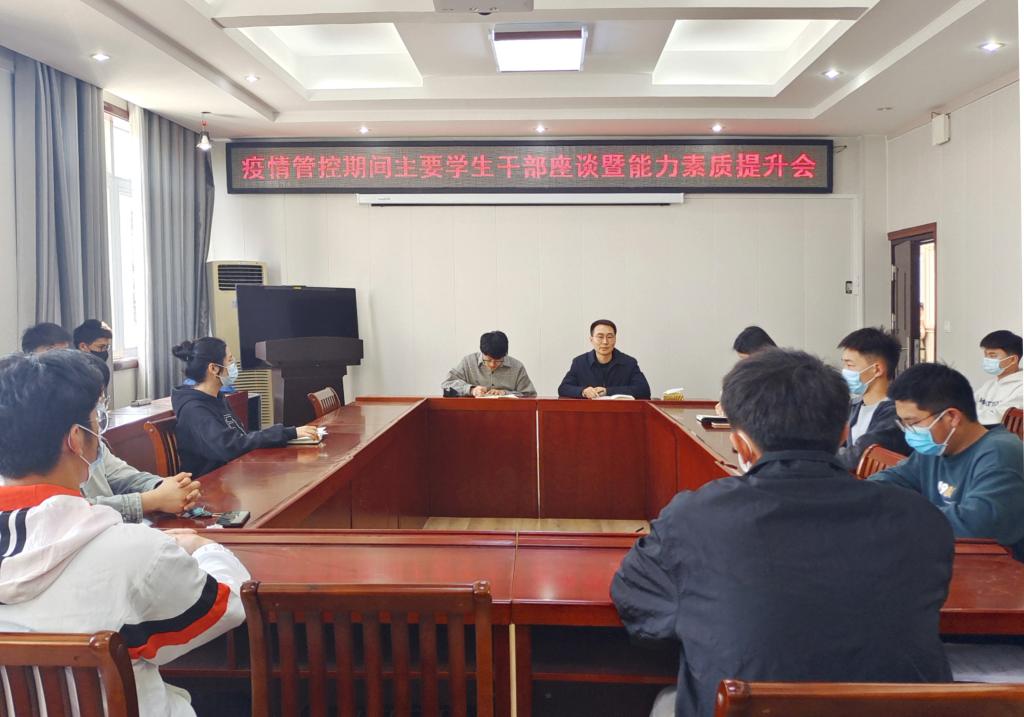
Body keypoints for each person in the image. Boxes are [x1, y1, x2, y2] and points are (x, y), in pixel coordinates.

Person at [612, 349, 954, 717]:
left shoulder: (694, 518)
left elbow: (638, 605)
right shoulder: (920, 519)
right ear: (843, 433)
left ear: (741, 445)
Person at [0, 349, 249, 717]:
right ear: (76, 439)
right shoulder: (133, 552)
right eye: (96, 419)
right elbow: (228, 606)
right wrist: (203, 547)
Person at [870, 362, 1024, 560]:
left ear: (952, 417)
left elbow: (976, 525)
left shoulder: (1001, 453)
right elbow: (890, 480)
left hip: (998, 568)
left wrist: (898, 514)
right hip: (950, 557)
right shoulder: (937, 448)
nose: (909, 432)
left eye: (913, 423)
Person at [171, 338, 318, 477]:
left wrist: (287, 435)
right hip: (208, 483)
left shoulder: (217, 398)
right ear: (214, 368)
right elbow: (230, 446)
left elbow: (241, 437)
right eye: (230, 360)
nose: (234, 365)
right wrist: (288, 433)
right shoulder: (194, 409)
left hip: (231, 473)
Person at [82, 356, 202, 522]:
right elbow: (78, 511)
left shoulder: (96, 443)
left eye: (102, 400)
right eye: (97, 402)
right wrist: (153, 500)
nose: (100, 410)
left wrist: (166, 487)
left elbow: (127, 477)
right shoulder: (51, 456)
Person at [836, 327, 908, 470]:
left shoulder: (896, 413)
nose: (845, 371)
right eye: (844, 364)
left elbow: (857, 457)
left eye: (850, 365)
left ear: (877, 369)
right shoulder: (853, 406)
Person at [558, 320, 651, 399]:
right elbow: (563, 388)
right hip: (589, 413)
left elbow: (644, 390)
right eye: (600, 337)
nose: (605, 342)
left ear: (615, 339)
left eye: (609, 337)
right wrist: (583, 391)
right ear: (591, 339)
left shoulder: (629, 363)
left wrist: (608, 391)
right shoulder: (579, 362)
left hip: (619, 413)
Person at [441, 331, 536, 397]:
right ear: (482, 352)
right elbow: (447, 384)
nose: (492, 364)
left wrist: (505, 393)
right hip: (473, 415)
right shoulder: (468, 362)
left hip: (508, 416)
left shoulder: (517, 367)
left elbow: (530, 395)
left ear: (505, 354)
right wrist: (471, 390)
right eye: (488, 360)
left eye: (498, 361)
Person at [715, 326, 777, 414]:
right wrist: (726, 403)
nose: (745, 364)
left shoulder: (780, 375)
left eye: (749, 360)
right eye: (742, 359)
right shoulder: (745, 374)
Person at [974, 330, 1023, 426]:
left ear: (1013, 359)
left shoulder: (1021, 388)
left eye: (992, 356)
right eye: (985, 355)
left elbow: (998, 417)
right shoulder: (989, 384)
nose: (987, 360)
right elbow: (968, 405)